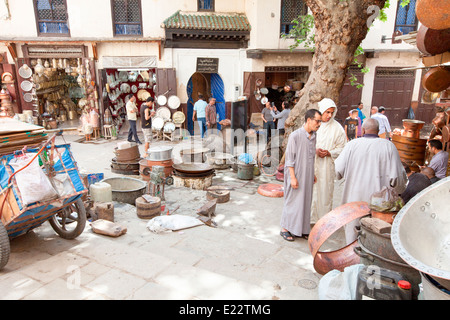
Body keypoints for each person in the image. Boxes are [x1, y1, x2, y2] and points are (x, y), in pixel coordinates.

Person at [335, 118, 407, 245]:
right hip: (380, 202)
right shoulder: (388, 146)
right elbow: (397, 178)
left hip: (354, 197)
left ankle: (350, 259)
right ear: (378, 131)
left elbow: (337, 170)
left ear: (362, 130)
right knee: (375, 234)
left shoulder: (352, 144)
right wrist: (399, 191)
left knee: (352, 233)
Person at [280, 108, 322, 242]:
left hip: (307, 174)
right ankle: (285, 228)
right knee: (293, 201)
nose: (319, 124)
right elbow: (289, 159)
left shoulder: (314, 136)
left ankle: (302, 229)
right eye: (317, 121)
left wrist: (312, 173)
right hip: (296, 173)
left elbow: (311, 157)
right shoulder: (295, 136)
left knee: (305, 201)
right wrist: (292, 177)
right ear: (309, 120)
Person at [311, 98, 347, 224]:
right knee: (310, 191)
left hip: (327, 166)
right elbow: (303, 142)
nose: (329, 115)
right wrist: (315, 151)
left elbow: (343, 147)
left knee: (325, 192)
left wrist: (329, 152)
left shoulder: (337, 128)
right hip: (312, 163)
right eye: (327, 112)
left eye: (331, 112)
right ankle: (309, 219)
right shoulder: (313, 124)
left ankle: (323, 220)